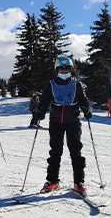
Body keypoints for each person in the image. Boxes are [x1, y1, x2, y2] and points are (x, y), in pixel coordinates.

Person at [35, 56, 92, 194]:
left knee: (76, 152)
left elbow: (84, 101)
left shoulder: (76, 85)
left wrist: (87, 109)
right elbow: (44, 101)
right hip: (56, 122)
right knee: (55, 152)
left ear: (71, 69)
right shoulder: (51, 85)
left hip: (73, 122)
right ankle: (52, 181)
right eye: (61, 68)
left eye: (67, 68)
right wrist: (40, 111)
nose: (64, 71)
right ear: (57, 70)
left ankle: (79, 182)